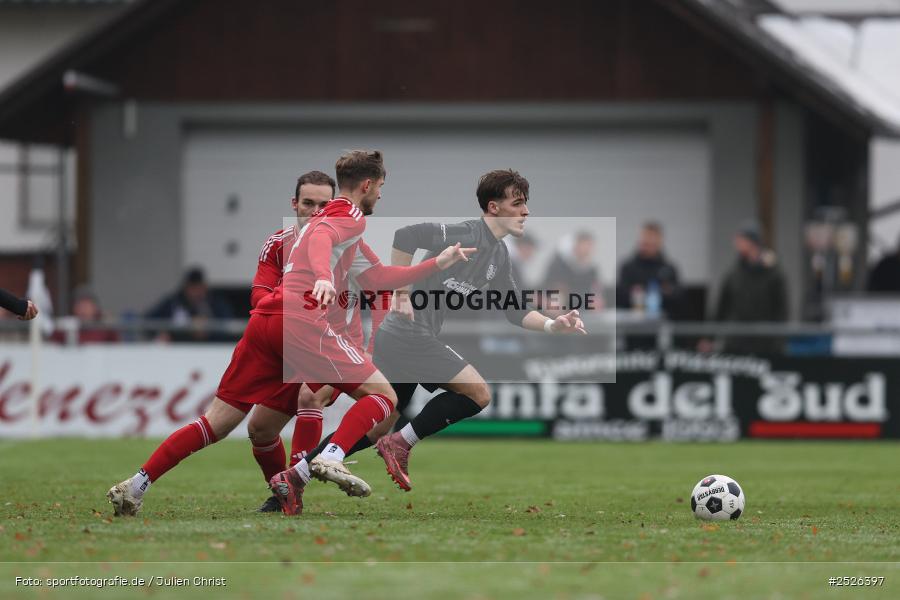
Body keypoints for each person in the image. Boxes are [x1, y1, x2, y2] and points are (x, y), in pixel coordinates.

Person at [107, 150, 474, 517]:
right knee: (383, 397)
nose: (380, 194)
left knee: (222, 422)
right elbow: (322, 240)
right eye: (379, 186)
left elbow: (378, 280)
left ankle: (137, 484)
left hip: (268, 322)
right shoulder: (348, 216)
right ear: (367, 185)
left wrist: (435, 263)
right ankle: (328, 458)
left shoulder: (321, 228)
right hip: (304, 322)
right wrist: (324, 278)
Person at [305, 169, 587, 492]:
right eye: (518, 203)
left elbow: (515, 310)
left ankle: (294, 474)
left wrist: (553, 324)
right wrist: (401, 292)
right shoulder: (468, 234)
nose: (526, 212)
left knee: (377, 425)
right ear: (493, 208)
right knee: (478, 393)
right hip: (408, 333)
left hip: (404, 337)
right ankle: (401, 443)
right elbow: (406, 235)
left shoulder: (498, 255)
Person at [713, 221, 788, 354]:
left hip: (766, 345)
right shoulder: (734, 274)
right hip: (736, 344)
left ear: (752, 242)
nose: (736, 243)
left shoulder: (773, 273)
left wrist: (778, 341)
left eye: (741, 239)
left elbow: (781, 310)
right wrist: (710, 337)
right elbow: (722, 307)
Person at [145, 266, 234, 341]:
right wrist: (163, 332)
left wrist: (208, 330)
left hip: (209, 351)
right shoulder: (173, 303)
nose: (196, 292)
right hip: (178, 352)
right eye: (192, 288)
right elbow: (148, 322)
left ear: (205, 287)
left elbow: (229, 326)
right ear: (185, 288)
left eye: (199, 287)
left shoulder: (215, 304)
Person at [616, 221, 683, 317]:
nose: (648, 242)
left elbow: (677, 297)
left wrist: (647, 293)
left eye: (652, 238)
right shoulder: (628, 267)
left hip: (663, 322)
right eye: (645, 238)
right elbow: (621, 296)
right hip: (632, 323)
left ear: (660, 241)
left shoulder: (669, 268)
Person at [543, 230, 602, 313]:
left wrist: (596, 298)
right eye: (585, 245)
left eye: (590, 246)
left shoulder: (591, 268)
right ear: (576, 245)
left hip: (583, 302)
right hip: (564, 302)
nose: (588, 249)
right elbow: (557, 288)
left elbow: (595, 287)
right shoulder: (560, 265)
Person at [51, 286, 119, 344]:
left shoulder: (104, 327)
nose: (83, 310)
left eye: (87, 306)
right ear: (74, 309)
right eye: (80, 306)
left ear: (95, 308)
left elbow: (117, 348)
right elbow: (51, 345)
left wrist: (110, 323)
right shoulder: (66, 327)